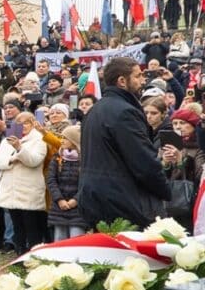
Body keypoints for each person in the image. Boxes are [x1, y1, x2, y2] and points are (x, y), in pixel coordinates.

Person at [79, 57, 171, 228]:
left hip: (95, 198)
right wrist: (166, 191)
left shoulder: (94, 111)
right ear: (122, 81)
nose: (142, 81)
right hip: (122, 203)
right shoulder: (125, 112)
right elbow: (144, 162)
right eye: (137, 76)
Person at [0, 111, 48, 255]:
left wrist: (19, 149)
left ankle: (34, 257)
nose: (22, 126)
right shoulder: (7, 140)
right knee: (17, 226)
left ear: (33, 123)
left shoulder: (39, 139)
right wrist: (10, 160)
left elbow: (34, 161)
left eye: (26, 123)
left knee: (31, 226)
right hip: (10, 191)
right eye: (19, 123)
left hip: (28, 191)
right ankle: (19, 255)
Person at [47, 125, 85, 242]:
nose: (62, 140)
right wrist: (59, 199)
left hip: (78, 207)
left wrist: (76, 200)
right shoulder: (58, 158)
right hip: (60, 206)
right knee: (59, 238)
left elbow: (86, 183)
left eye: (65, 138)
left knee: (77, 238)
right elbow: (51, 180)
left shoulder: (84, 160)